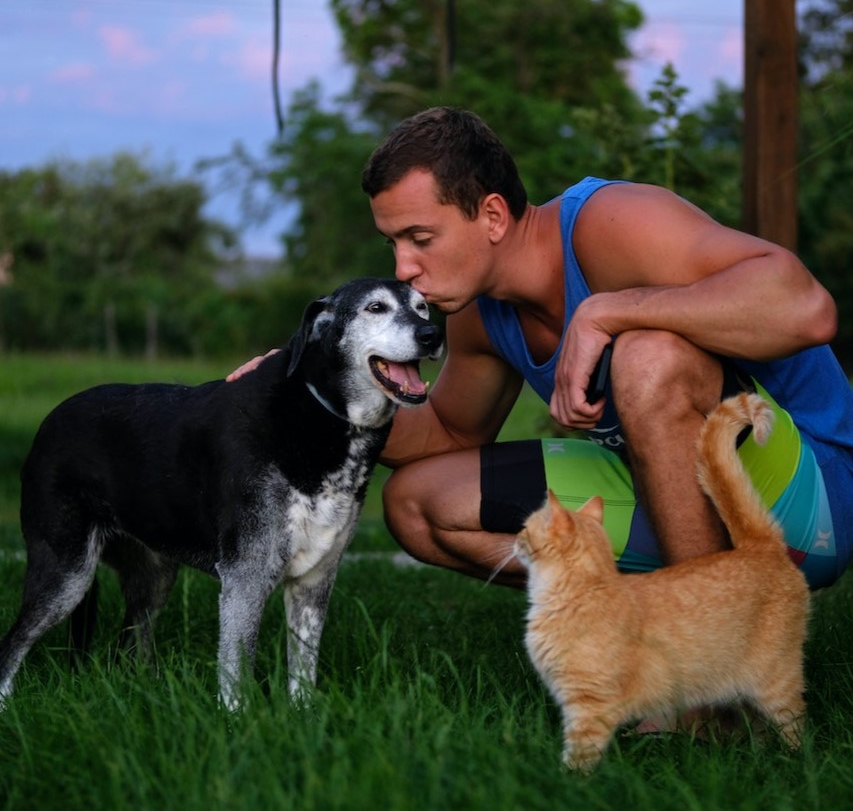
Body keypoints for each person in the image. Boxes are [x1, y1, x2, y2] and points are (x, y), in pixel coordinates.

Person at [231, 106, 853, 595]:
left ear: (494, 216)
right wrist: (307, 399)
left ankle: (706, 674)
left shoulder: (609, 223)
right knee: (418, 504)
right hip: (678, 497)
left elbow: (806, 308)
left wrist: (607, 310)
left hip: (807, 497)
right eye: (394, 242)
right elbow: (447, 433)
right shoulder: (477, 309)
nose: (403, 267)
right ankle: (637, 624)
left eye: (420, 238)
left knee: (648, 356)